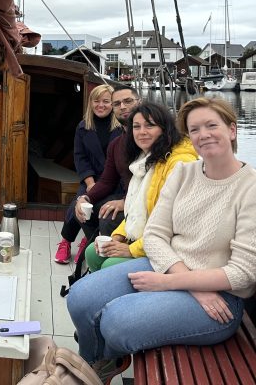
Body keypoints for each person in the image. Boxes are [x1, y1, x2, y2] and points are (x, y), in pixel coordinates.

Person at [67, 97, 256, 384]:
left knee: (117, 320)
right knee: (80, 298)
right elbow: (155, 234)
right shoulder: (184, 173)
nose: (203, 134)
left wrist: (173, 282)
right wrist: (184, 280)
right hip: (168, 265)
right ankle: (94, 367)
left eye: (211, 125)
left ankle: (96, 366)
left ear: (232, 130)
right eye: (194, 129)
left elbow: (243, 273)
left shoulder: (250, 188)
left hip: (220, 299)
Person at [84, 102, 197, 272]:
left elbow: (174, 224)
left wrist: (131, 250)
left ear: (164, 129)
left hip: (168, 247)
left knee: (110, 265)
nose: (142, 132)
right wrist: (118, 236)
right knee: (93, 253)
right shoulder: (144, 161)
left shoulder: (179, 163)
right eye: (136, 127)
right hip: (144, 237)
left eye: (149, 125)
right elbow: (135, 210)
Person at [55, 84, 122, 264]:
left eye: (106, 101)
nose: (101, 105)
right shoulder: (83, 127)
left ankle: (86, 241)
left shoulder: (122, 128)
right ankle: (66, 241)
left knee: (99, 209)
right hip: (91, 178)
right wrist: (90, 183)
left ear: (112, 104)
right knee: (79, 205)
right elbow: (80, 157)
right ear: (90, 103)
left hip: (114, 181)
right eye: (97, 101)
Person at [74, 85, 140, 238]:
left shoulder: (148, 137)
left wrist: (126, 201)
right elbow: (107, 180)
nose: (122, 107)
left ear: (139, 102)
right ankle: (92, 244)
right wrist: (85, 198)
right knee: (81, 209)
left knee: (108, 219)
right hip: (109, 186)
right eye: (117, 103)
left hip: (140, 199)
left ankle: (105, 247)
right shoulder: (116, 144)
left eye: (128, 101)